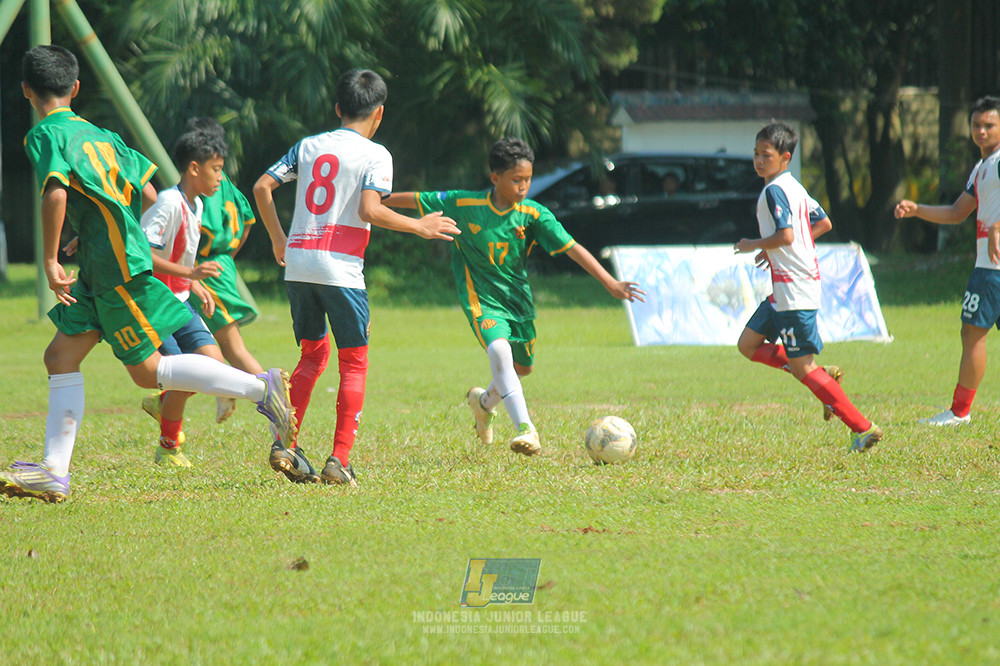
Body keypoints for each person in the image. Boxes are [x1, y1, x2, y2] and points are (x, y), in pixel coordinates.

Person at [0, 45, 295, 503]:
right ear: (76, 88)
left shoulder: (43, 134)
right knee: (60, 358)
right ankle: (54, 472)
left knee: (148, 373)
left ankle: (261, 387)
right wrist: (100, 227)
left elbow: (56, 193)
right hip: (103, 266)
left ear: (26, 91)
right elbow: (150, 191)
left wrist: (52, 259)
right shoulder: (104, 136)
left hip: (113, 269)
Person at [254, 68, 460, 487]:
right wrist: (420, 226)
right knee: (353, 362)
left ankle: (284, 444)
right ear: (379, 113)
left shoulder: (308, 146)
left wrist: (279, 239)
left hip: (298, 265)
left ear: (337, 108)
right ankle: (339, 461)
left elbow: (262, 187)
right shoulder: (375, 154)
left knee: (312, 356)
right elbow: (370, 210)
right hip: (340, 268)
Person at [384, 137, 645, 457]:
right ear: (495, 178)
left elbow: (573, 247)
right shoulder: (463, 203)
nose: (524, 186)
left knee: (521, 369)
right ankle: (527, 429)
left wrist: (609, 282)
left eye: (528, 180)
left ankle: (483, 405)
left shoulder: (533, 214)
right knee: (499, 351)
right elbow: (415, 199)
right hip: (481, 298)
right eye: (516, 180)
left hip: (517, 300)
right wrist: (375, 200)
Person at [734, 121, 882, 453]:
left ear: (785, 157)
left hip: (793, 292)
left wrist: (754, 244)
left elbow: (786, 235)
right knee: (748, 344)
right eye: (756, 154)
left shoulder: (775, 191)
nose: (759, 160)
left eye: (766, 155)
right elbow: (823, 222)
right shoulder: (794, 187)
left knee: (803, 368)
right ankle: (821, 374)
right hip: (784, 290)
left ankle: (863, 427)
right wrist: (772, 249)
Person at [894, 96, 1000, 426]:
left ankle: (959, 412)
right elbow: (957, 213)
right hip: (987, 266)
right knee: (972, 334)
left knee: (972, 334)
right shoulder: (982, 168)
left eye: (989, 125)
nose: (981, 131)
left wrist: (998, 225)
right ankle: (959, 411)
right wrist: (918, 209)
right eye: (976, 125)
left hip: (992, 269)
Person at [139, 127, 234, 467]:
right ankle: (168, 449)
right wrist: (190, 275)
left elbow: (181, 258)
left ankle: (164, 403)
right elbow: (144, 254)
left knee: (212, 366)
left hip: (180, 299)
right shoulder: (168, 203)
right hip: (156, 303)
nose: (220, 178)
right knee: (184, 374)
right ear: (195, 168)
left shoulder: (196, 204)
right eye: (217, 169)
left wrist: (196, 285)